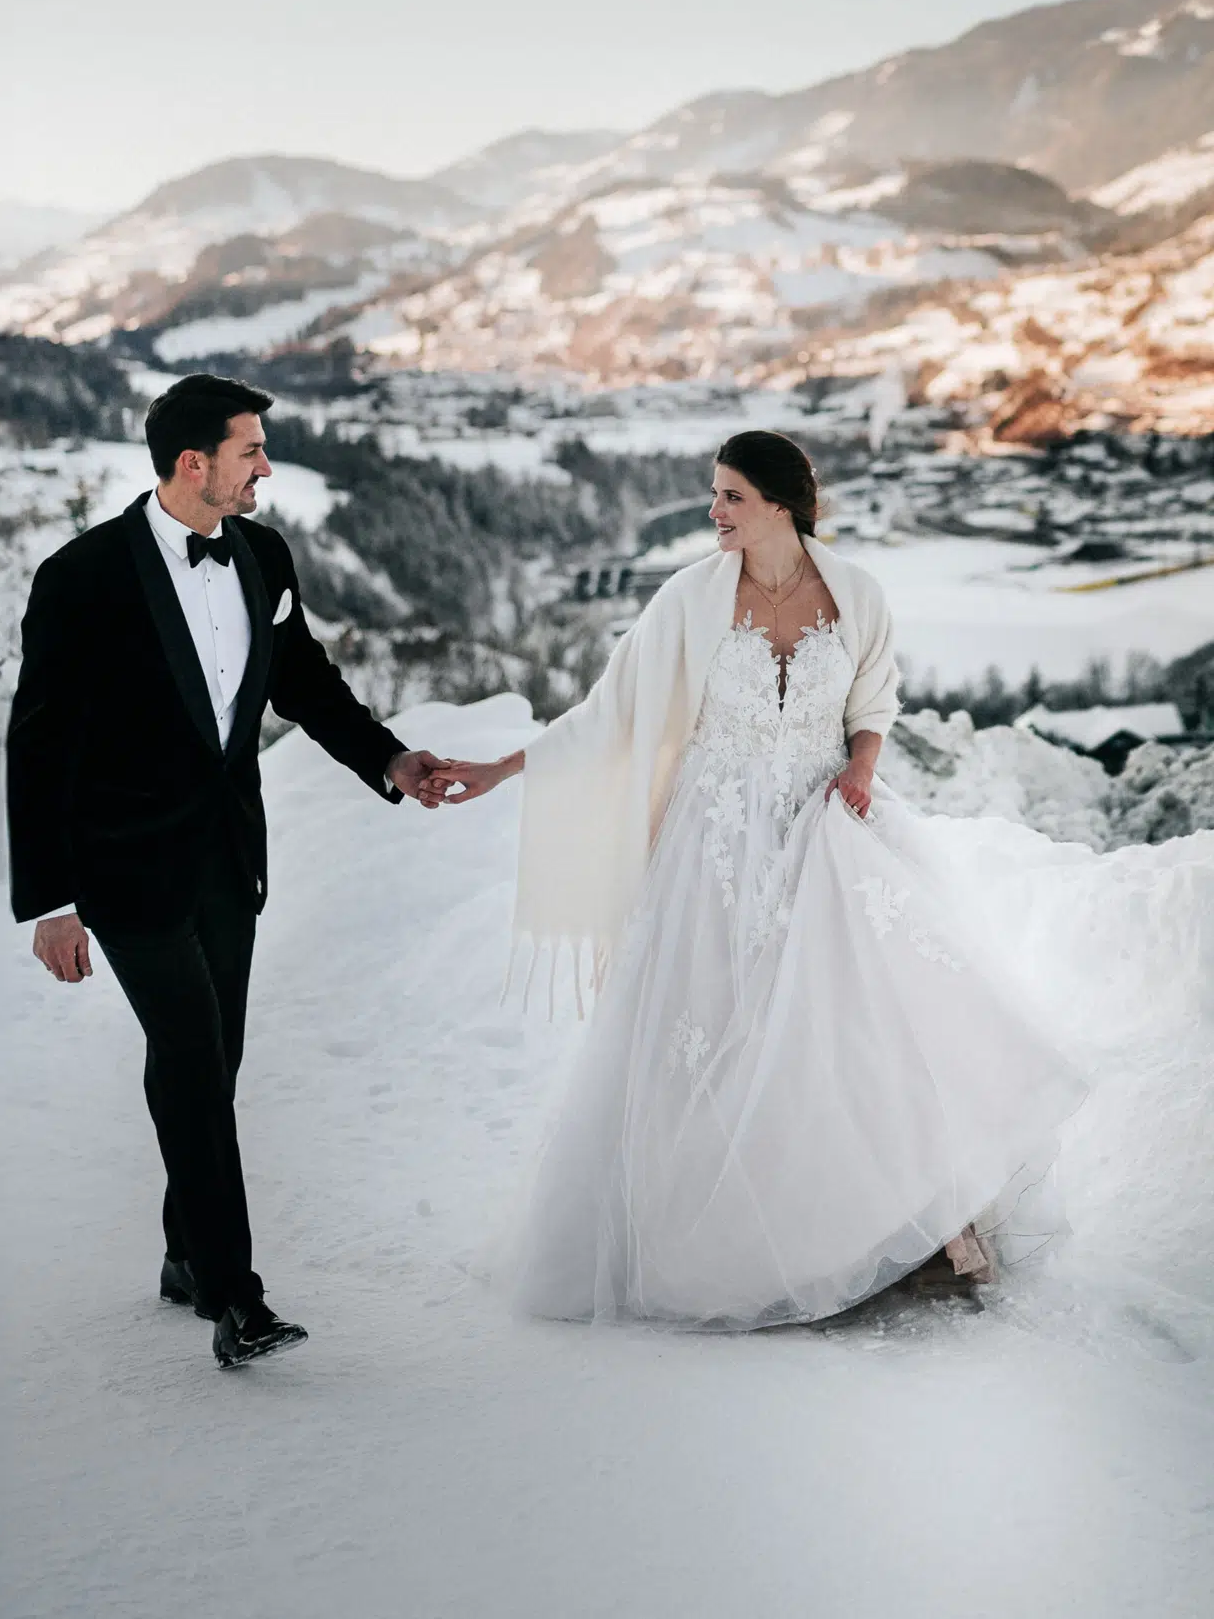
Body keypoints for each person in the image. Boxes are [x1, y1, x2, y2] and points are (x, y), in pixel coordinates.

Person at [436, 429, 1085, 1327]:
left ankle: (905, 1232)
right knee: (724, 1032)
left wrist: (859, 767)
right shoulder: (688, 598)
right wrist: (498, 771)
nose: (713, 513)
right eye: (714, 496)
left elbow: (874, 699)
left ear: (780, 502)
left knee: (860, 1025)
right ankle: (737, 1247)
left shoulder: (854, 592)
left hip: (825, 824)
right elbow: (606, 714)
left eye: (729, 497)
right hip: (712, 843)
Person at [5, 372, 452, 1370]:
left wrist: (389, 757)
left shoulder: (261, 552)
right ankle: (233, 1295)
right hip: (121, 871)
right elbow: (35, 744)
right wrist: (49, 901)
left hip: (227, 862)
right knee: (197, 1063)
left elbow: (305, 679)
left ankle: (181, 1250)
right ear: (193, 461)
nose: (266, 466)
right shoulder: (80, 577)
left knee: (213, 1061)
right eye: (252, 449)